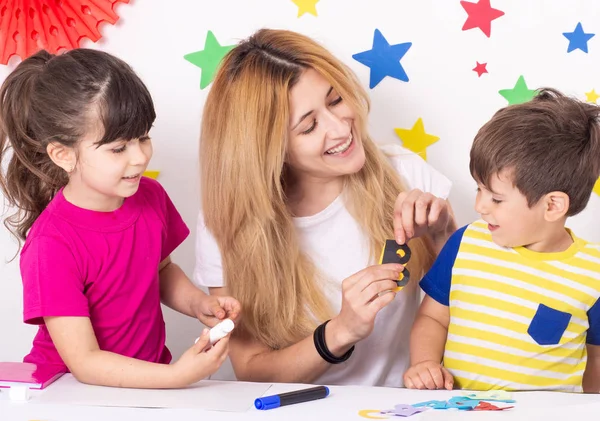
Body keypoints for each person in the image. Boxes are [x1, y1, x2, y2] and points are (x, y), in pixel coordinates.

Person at [194, 28, 456, 387]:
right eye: (309, 126)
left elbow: (480, 311)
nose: (340, 128)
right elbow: (250, 368)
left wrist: (445, 237)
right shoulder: (225, 224)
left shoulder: (406, 174)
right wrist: (339, 332)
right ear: (268, 150)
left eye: (335, 100)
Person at [0, 49, 240, 388]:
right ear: (63, 155)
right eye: (118, 148)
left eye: (143, 137)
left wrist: (199, 303)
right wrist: (175, 376)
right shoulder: (51, 244)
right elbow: (84, 361)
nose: (140, 157)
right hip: (69, 392)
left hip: (145, 383)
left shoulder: (150, 196)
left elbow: (161, 270)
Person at [404, 88, 600, 393]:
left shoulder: (594, 273)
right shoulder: (465, 244)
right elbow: (433, 317)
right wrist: (423, 364)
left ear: (552, 206)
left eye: (496, 198)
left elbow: (596, 361)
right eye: (479, 189)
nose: (480, 206)